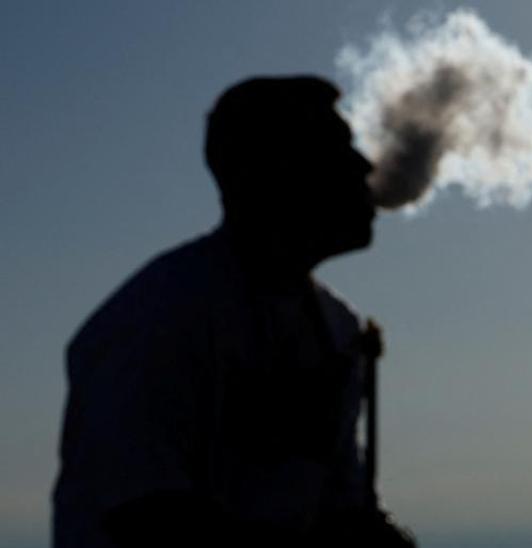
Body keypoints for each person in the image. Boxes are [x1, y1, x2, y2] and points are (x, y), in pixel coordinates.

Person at [53, 76, 413, 548]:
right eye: (334, 148)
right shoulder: (160, 317)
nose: (364, 165)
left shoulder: (336, 328)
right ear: (271, 174)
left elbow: (341, 508)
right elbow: (146, 516)